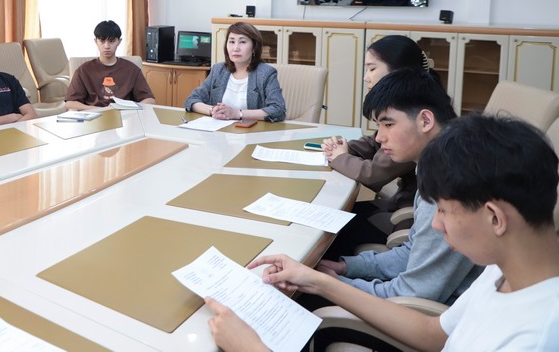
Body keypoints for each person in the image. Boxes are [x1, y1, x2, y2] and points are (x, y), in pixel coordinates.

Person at [205, 113, 559, 351]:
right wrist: (319, 281)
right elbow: (433, 333)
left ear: (495, 218)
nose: (436, 225)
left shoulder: (536, 336)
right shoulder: (506, 270)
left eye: (444, 211)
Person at [314, 69, 481, 305]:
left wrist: (333, 285)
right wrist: (345, 267)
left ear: (425, 121)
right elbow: (412, 252)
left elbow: (413, 294)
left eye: (388, 124)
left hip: (436, 315)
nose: (379, 137)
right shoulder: (442, 161)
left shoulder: (449, 184)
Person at [321, 35, 439, 257]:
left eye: (372, 68)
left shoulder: (414, 120)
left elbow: (373, 174)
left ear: (398, 71)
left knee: (328, 234)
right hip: (401, 207)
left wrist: (340, 157)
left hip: (406, 217)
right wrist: (346, 148)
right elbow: (376, 141)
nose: (366, 77)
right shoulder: (415, 103)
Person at [184, 22, 285, 122]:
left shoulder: (266, 73)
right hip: (219, 129)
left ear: (254, 47)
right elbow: (192, 99)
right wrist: (212, 110)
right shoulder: (218, 70)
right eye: (232, 42)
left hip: (251, 130)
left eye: (242, 42)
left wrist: (237, 114)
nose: (236, 48)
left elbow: (278, 110)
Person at [64, 20, 155, 110]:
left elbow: (149, 100)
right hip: (94, 115)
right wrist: (98, 110)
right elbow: (70, 103)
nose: (107, 46)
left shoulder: (132, 69)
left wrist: (132, 110)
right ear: (96, 41)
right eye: (102, 41)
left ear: (119, 41)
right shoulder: (83, 70)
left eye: (112, 41)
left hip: (124, 115)